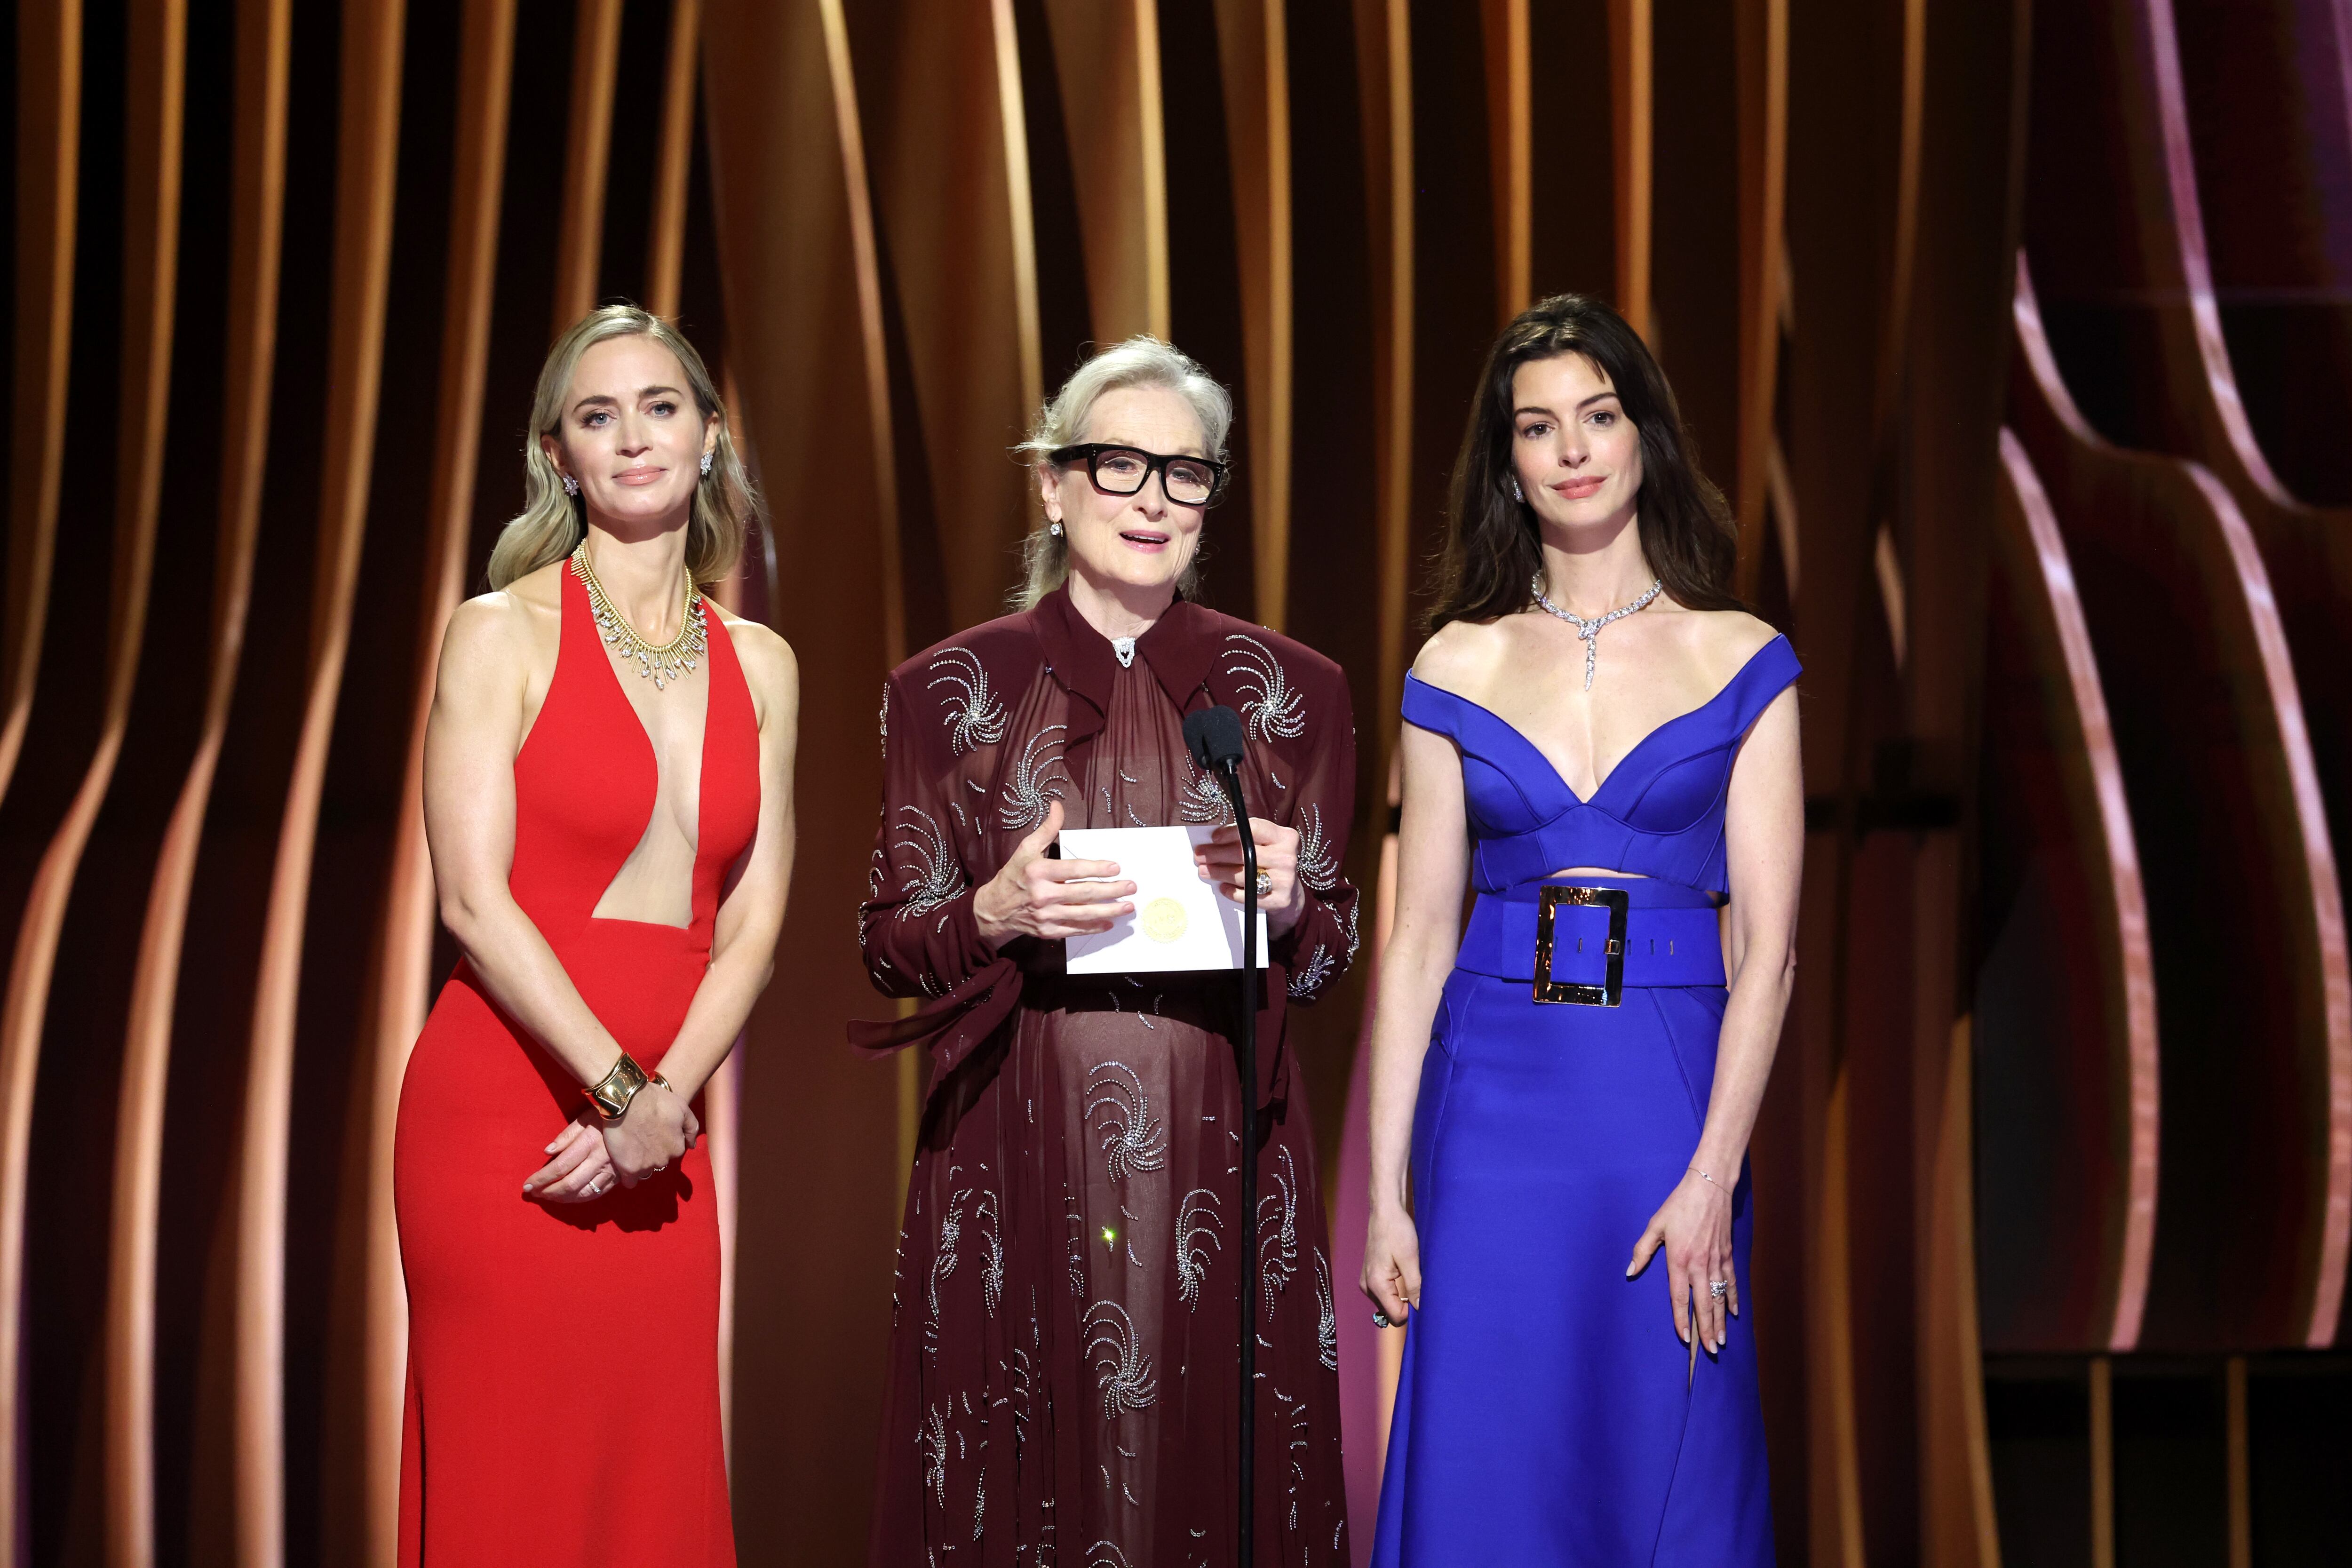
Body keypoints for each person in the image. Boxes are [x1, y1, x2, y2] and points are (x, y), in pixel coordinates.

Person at [857, 337, 1359, 1565]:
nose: (1149, 498)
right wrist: (995, 913)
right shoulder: (949, 688)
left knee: (1210, 1470)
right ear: (1051, 483)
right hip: (1014, 1144)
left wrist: (1299, 906)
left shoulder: (1292, 692)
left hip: (1225, 1147)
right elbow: (887, 943)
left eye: (1183, 474)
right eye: (1118, 464)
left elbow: (1336, 952)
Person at [1362, 294, 1801, 1564]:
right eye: (1537, 427)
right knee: (1489, 1461)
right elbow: (1416, 937)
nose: (1572, 449)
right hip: (1492, 1102)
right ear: (1505, 461)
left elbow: (1767, 948)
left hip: (1666, 1100)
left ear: (1644, 435)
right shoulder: (1455, 664)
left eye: (1599, 417)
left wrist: (1714, 1172)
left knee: (1670, 1434)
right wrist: (1385, 1193)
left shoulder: (1745, 658)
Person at [397, 305, 796, 1565]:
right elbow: (472, 901)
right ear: (556, 457)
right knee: (510, 1490)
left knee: (653, 1490)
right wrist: (620, 1089)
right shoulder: (499, 631)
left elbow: (754, 930)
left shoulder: (765, 662)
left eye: (661, 407)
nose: (634, 438)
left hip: (664, 1137)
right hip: (507, 1116)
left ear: (711, 437)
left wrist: (660, 1105)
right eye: (597, 416)